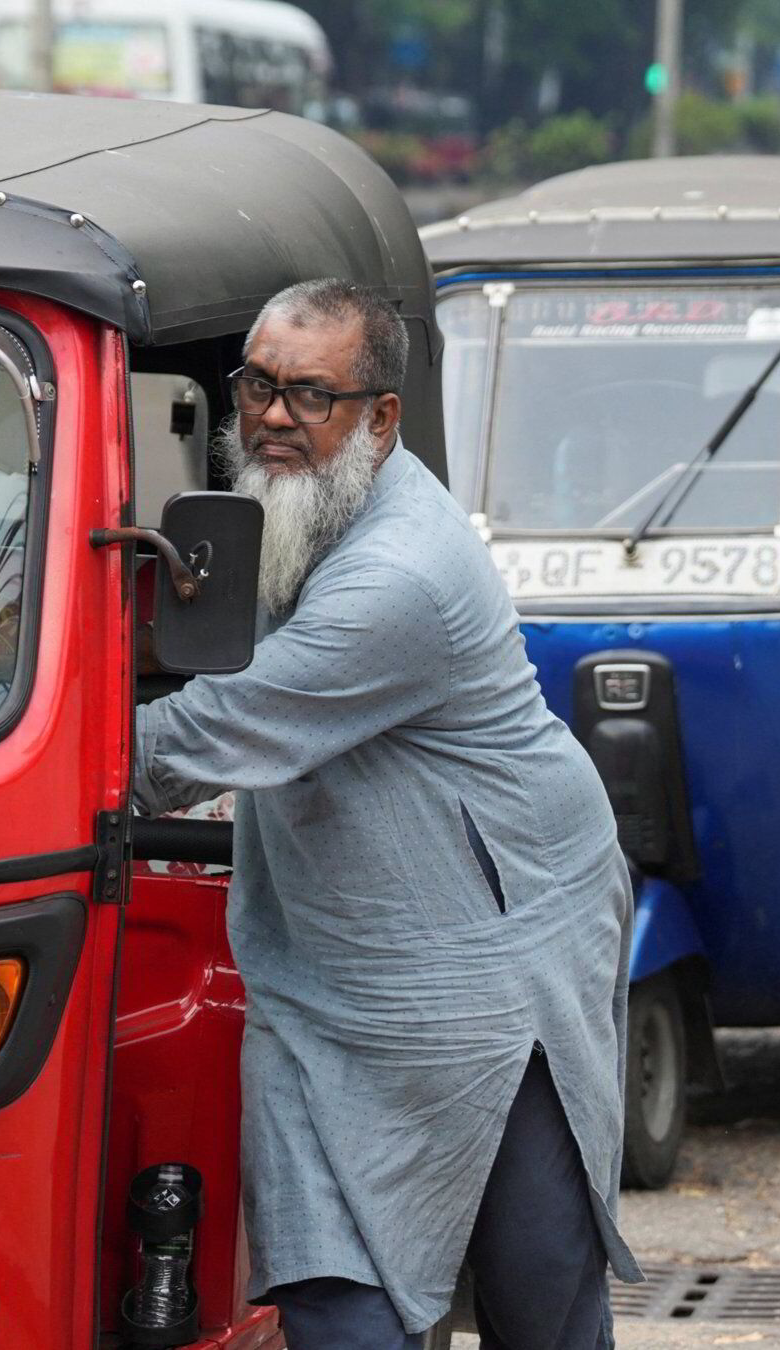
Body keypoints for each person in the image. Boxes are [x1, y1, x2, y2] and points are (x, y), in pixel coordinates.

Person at [131, 279, 639, 1348]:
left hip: (497, 959)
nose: (273, 416)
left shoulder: (403, 572)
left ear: (382, 415)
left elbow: (216, 727)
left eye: (311, 395)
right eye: (259, 385)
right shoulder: (290, 511)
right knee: (328, 1287)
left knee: (536, 1295)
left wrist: (21, 770)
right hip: (324, 972)